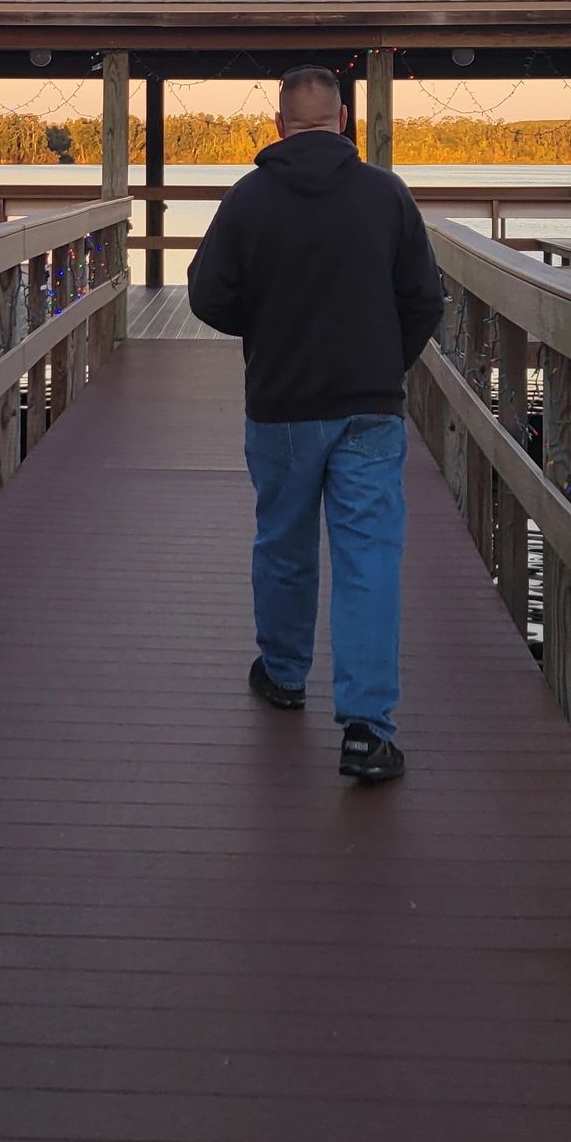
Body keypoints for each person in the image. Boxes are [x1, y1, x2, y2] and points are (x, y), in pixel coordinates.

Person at [187, 65, 446, 783]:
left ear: (278, 125)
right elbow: (425, 299)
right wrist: (385, 363)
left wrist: (265, 331)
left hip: (282, 405)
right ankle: (367, 731)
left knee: (284, 542)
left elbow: (206, 296)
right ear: (343, 121)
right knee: (369, 561)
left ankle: (284, 674)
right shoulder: (385, 195)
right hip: (370, 408)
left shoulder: (249, 198)